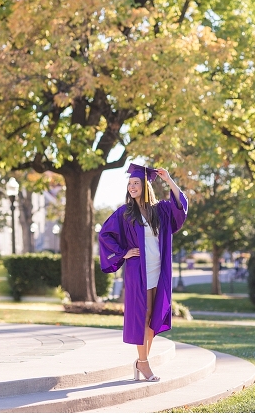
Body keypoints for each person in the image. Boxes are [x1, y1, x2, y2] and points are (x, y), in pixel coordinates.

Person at [99, 163, 188, 382]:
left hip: (159, 270)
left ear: (146, 186)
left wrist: (169, 180)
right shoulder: (125, 213)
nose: (132, 187)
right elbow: (105, 235)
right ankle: (144, 363)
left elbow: (181, 208)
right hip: (138, 272)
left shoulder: (161, 211)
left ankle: (142, 361)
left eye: (136, 183)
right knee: (142, 316)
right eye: (130, 184)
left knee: (153, 318)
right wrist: (123, 253)